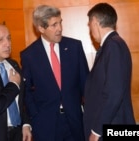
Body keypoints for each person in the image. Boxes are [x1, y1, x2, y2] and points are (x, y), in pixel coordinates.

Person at [20, 4, 89, 141]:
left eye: (60, 22)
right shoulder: (29, 55)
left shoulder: (75, 47)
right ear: (41, 28)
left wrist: (91, 116)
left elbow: (86, 84)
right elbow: (26, 92)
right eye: (54, 25)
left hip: (75, 122)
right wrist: (35, 117)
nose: (60, 28)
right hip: (46, 126)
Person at [83, 3, 136, 141]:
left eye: (89, 25)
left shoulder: (113, 46)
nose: (90, 30)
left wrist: (97, 130)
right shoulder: (113, 45)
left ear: (95, 22)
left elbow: (114, 93)